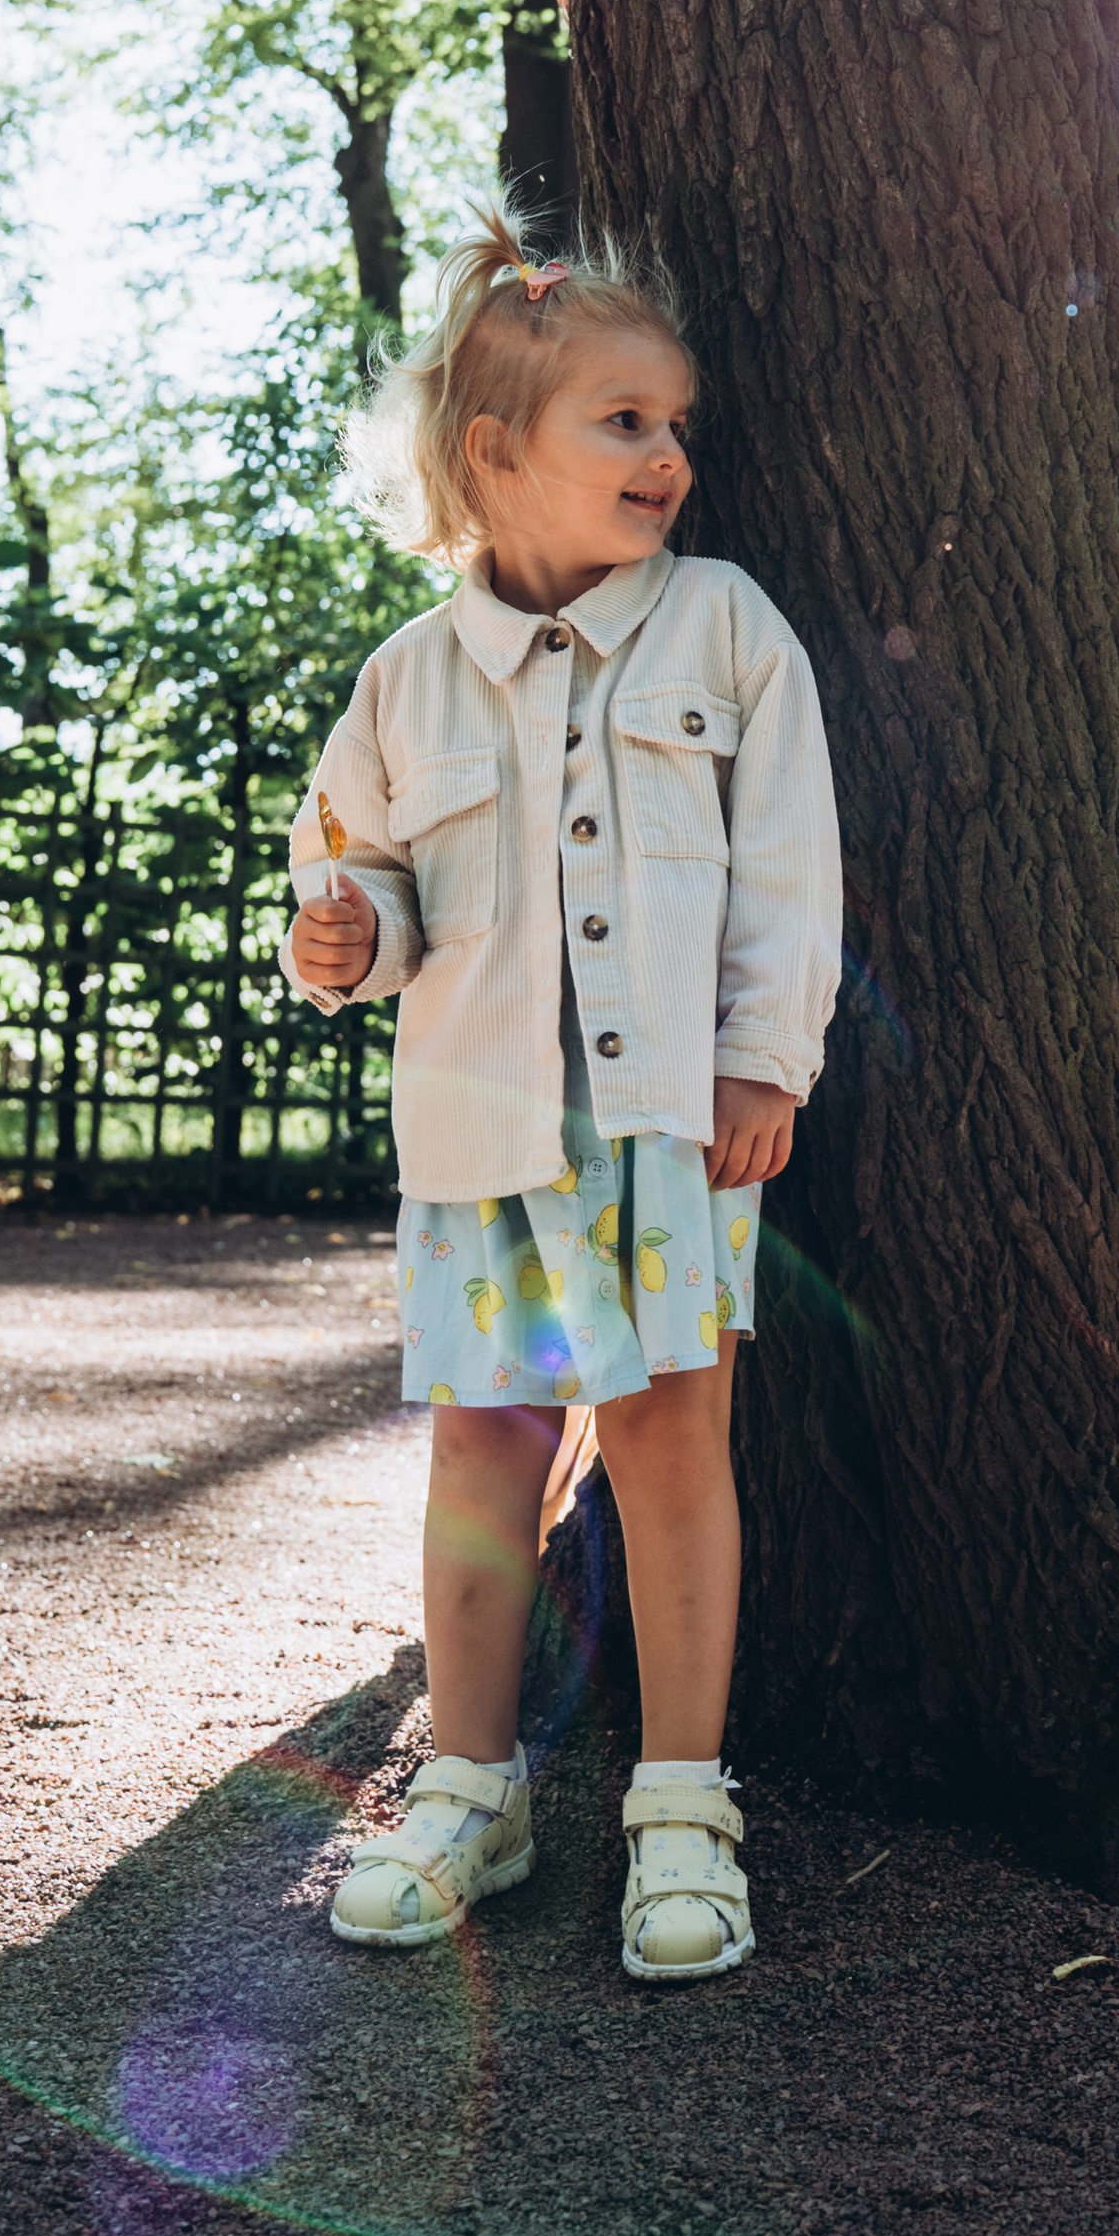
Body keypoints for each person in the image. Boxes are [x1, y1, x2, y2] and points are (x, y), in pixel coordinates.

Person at [282, 206, 841, 1980]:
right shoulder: (405, 678)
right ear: (495, 454)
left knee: (675, 1448)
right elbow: (356, 877)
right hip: (484, 1146)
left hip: (668, 1138)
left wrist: (770, 1054)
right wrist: (346, 931)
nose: (670, 457)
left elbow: (789, 869)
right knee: (487, 1456)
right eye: (624, 423)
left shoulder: (729, 635)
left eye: (678, 426)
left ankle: (681, 1805)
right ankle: (472, 1787)